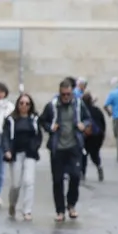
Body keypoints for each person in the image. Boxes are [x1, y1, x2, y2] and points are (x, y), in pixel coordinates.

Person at [39, 78, 92, 221]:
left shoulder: (78, 104)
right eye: (64, 95)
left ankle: (71, 204)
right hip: (58, 147)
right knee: (57, 180)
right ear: (59, 93)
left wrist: (83, 125)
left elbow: (88, 118)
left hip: (74, 146)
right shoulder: (52, 106)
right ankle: (60, 210)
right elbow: (42, 120)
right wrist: (50, 128)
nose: (66, 97)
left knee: (75, 176)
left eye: (68, 94)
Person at [3, 92, 43, 222]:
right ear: (17, 104)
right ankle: (12, 204)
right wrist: (7, 150)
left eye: (27, 103)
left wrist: (36, 146)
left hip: (30, 153)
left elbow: (38, 135)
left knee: (29, 182)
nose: (24, 106)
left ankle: (27, 210)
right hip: (16, 153)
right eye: (21, 103)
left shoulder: (34, 119)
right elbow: (6, 136)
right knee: (16, 184)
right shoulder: (11, 119)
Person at [82, 91, 107, 181]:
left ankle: (82, 173)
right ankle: (99, 166)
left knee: (83, 154)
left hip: (86, 136)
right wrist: (103, 135)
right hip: (97, 136)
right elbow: (103, 123)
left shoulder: (82, 111)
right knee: (95, 154)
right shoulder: (97, 110)